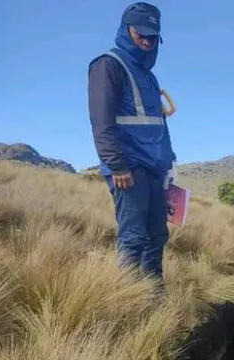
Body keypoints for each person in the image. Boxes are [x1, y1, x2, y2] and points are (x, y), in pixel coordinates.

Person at [87, 2, 177, 286]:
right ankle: (125, 303)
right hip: (129, 169)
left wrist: (170, 163)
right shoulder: (108, 65)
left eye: (153, 37)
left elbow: (158, 123)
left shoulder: (148, 76)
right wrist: (117, 165)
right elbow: (101, 122)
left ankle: (154, 297)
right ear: (127, 29)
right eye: (142, 35)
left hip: (155, 169)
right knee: (134, 238)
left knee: (157, 237)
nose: (148, 42)